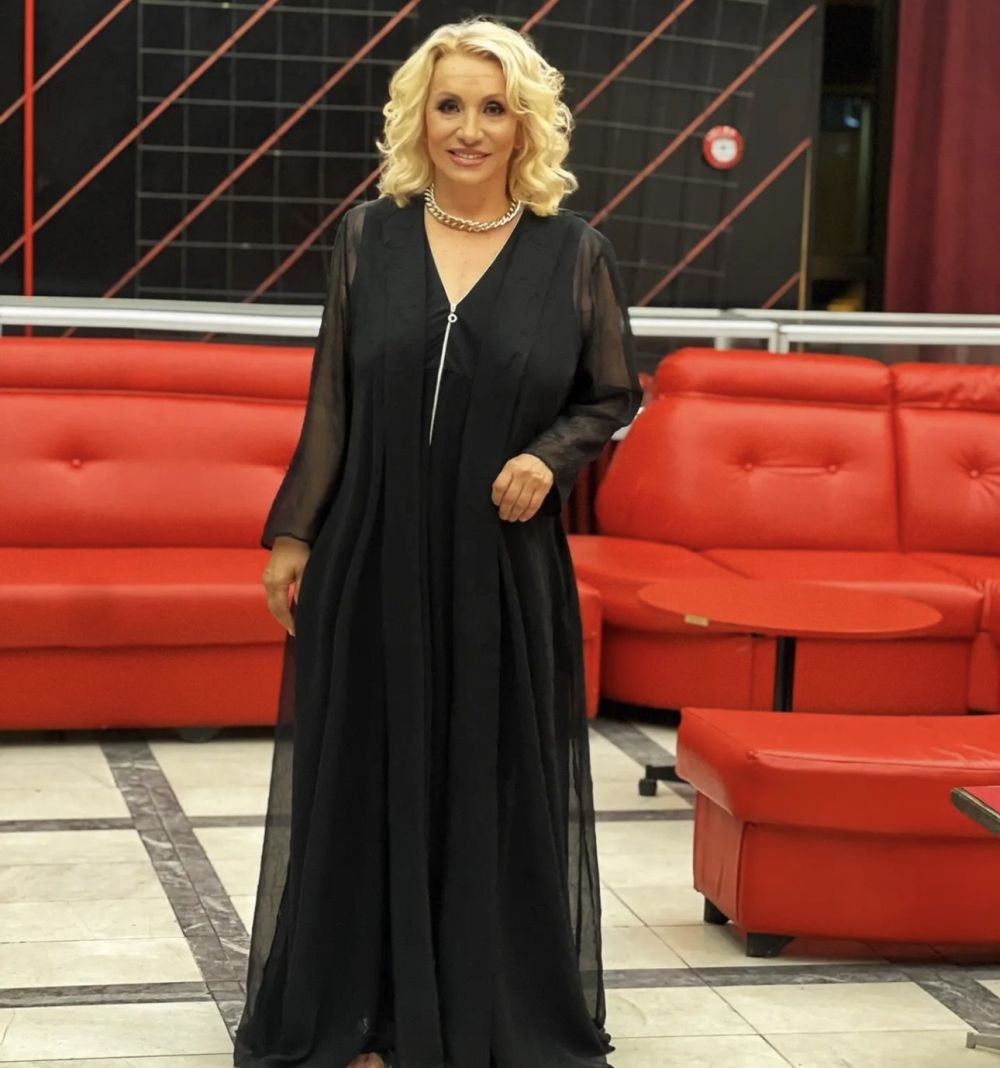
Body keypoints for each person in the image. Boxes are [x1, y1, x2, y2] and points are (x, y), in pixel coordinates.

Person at [233, 15, 642, 1068]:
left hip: (500, 565)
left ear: (526, 124)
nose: (469, 128)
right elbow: (334, 398)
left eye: (493, 108)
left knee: (484, 783)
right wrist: (294, 533)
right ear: (419, 117)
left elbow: (611, 395)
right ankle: (362, 1012)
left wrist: (550, 456)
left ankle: (474, 1009)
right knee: (362, 780)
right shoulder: (368, 238)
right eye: (449, 104)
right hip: (370, 551)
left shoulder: (574, 253)